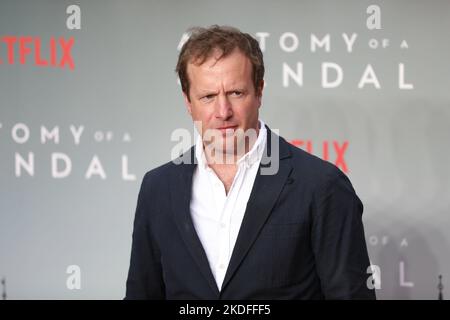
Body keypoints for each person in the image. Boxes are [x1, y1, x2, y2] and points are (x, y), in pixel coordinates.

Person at [125, 25, 376, 299]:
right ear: (188, 101)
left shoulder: (320, 185)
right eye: (208, 96)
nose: (223, 112)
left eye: (236, 93)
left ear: (259, 91)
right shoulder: (158, 188)